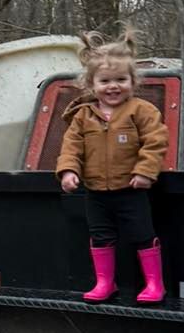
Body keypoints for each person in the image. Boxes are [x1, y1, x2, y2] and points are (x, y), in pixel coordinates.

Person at [56, 32, 168, 303]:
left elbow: (156, 141)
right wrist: (68, 171)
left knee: (142, 235)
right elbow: (71, 147)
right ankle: (105, 283)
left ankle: (155, 285)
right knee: (100, 236)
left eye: (121, 80)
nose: (113, 86)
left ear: (133, 81)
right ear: (91, 84)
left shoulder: (143, 111)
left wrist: (145, 171)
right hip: (95, 192)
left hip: (131, 190)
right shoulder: (83, 116)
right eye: (105, 81)